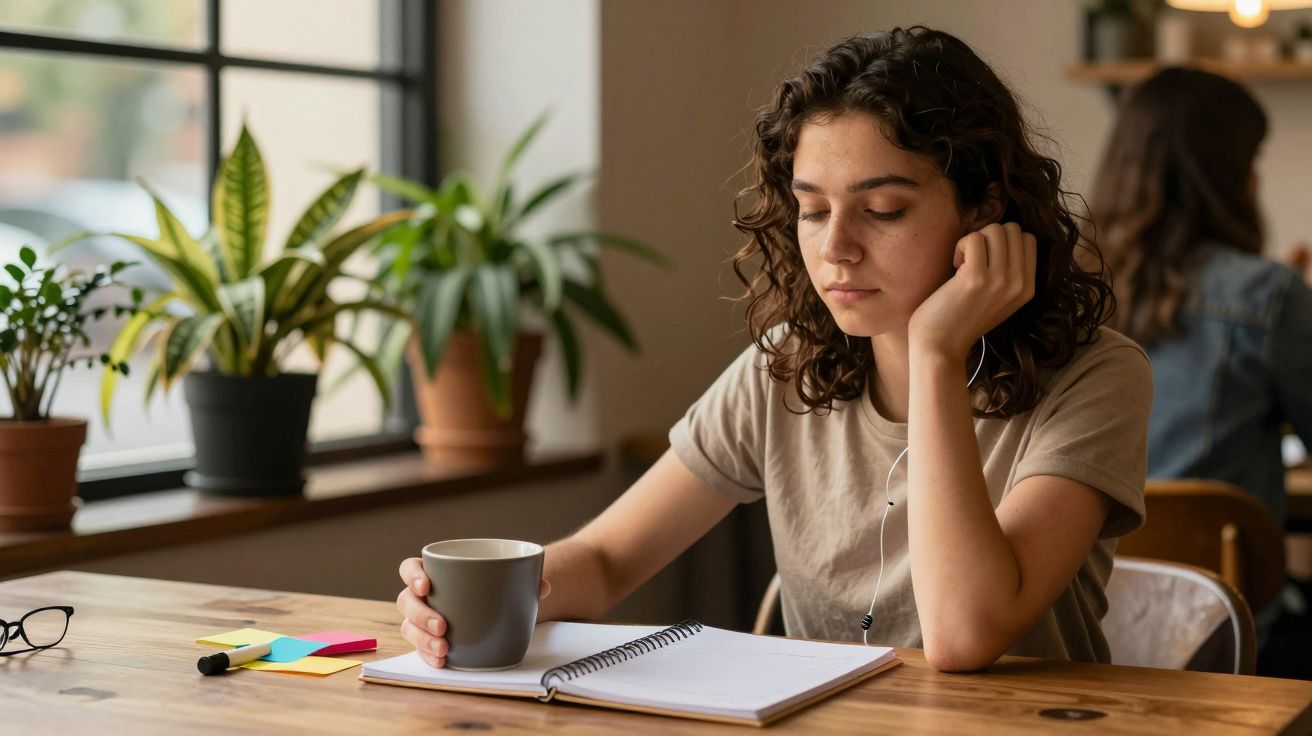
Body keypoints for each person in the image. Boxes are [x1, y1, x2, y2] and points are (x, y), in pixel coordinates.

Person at [396, 26, 1152, 672]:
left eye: (883, 210)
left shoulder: (1096, 377)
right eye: (813, 210)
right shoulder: (783, 365)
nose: (837, 249)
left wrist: (934, 353)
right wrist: (471, 596)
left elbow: (963, 635)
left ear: (985, 209)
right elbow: (605, 561)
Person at [1089, 67, 1312, 530]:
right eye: (1253, 159)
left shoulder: (1062, 286)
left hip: (1086, 594)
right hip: (1220, 595)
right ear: (1225, 174)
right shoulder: (1265, 295)